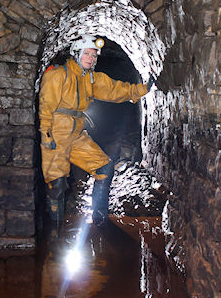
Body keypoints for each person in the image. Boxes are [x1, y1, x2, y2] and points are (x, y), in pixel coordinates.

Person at [39, 35, 154, 227]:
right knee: (56, 185)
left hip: (76, 134)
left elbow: (114, 90)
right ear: (77, 54)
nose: (91, 59)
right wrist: (45, 133)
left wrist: (141, 89)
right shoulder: (58, 74)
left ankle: (99, 222)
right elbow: (45, 104)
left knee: (105, 168)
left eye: (94, 55)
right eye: (87, 54)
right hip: (56, 134)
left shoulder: (90, 78)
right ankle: (54, 235)